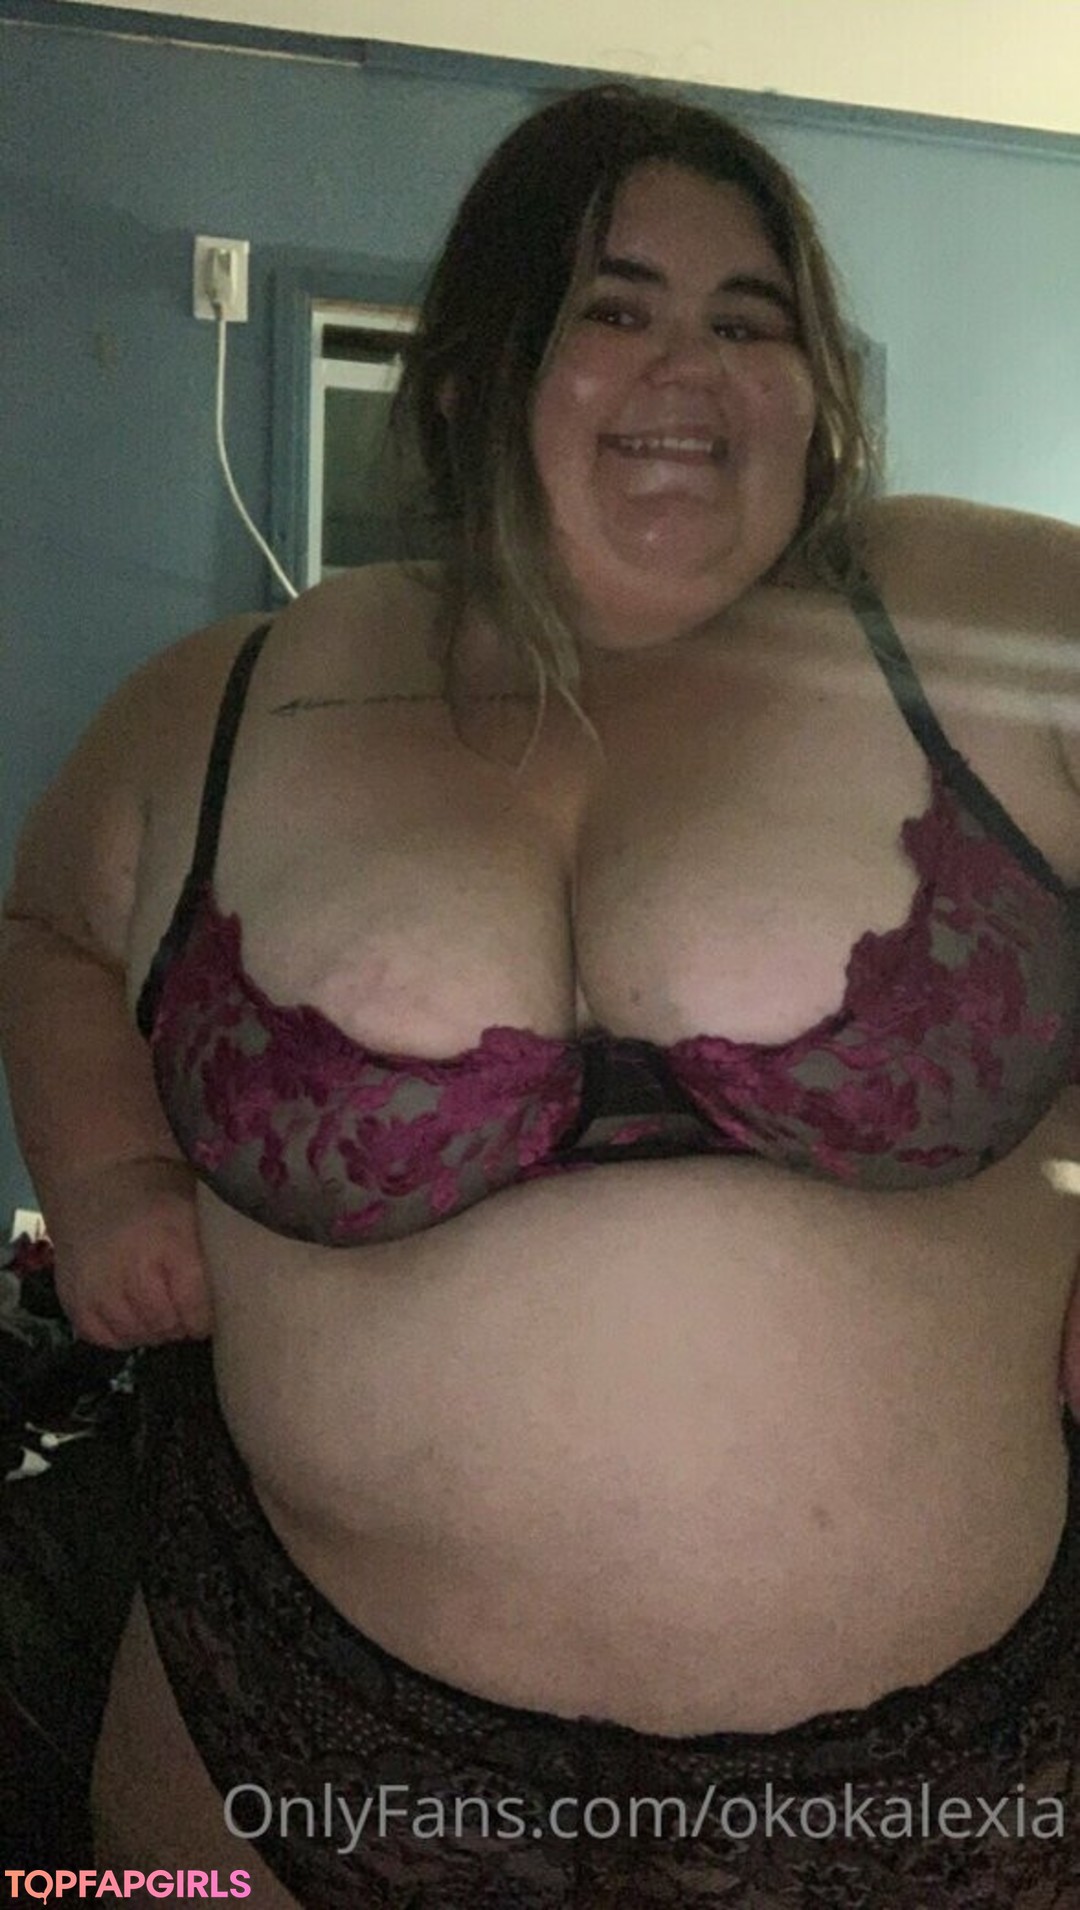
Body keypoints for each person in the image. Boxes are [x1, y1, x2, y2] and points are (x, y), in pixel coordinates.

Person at [2, 79, 1080, 1909]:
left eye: (752, 321)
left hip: (948, 1798)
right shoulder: (234, 693)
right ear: (473, 372)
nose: (692, 366)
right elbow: (46, 926)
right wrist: (106, 1177)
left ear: (817, 391)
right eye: (616, 305)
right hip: (271, 1734)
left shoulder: (984, 613)